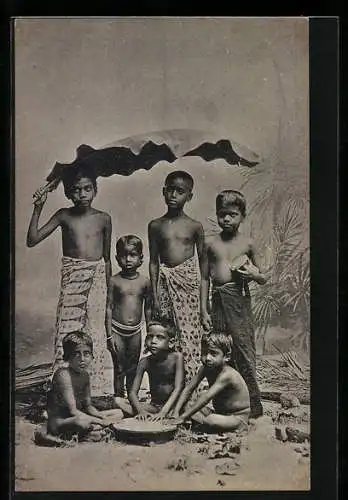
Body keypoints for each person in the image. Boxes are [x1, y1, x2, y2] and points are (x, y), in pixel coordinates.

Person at [27, 164, 113, 396]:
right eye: (76, 190)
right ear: (67, 193)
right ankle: (64, 391)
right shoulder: (63, 215)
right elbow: (32, 239)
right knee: (67, 333)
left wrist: (109, 297)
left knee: (95, 331)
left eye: (87, 189)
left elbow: (106, 260)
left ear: (95, 189)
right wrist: (38, 207)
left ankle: (95, 392)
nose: (82, 194)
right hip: (73, 280)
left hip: (97, 282)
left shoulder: (104, 218)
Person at [202, 190, 267, 419]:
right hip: (217, 300)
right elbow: (204, 278)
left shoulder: (248, 243)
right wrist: (203, 309)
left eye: (232, 214)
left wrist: (252, 273)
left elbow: (263, 277)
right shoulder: (211, 244)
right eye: (222, 215)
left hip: (239, 300)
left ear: (243, 216)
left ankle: (253, 406)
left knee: (243, 349)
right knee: (219, 347)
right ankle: (225, 402)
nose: (226, 219)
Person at [148, 170, 210, 389]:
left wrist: (203, 308)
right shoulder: (155, 225)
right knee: (167, 336)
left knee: (190, 338)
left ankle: (191, 393)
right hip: (164, 286)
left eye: (180, 191)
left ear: (189, 196)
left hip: (188, 288)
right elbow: (154, 262)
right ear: (164, 192)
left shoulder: (195, 227)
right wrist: (155, 297)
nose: (174, 195)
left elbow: (204, 270)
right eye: (170, 190)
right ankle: (167, 391)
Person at [46, 332, 122, 439]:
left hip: (80, 415)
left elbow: (88, 406)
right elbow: (73, 411)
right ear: (68, 356)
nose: (82, 359)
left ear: (91, 356)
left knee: (118, 413)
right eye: (76, 354)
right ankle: (93, 431)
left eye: (86, 354)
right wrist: (102, 422)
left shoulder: (85, 375)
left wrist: (102, 416)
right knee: (83, 422)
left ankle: (93, 431)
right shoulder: (63, 374)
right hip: (62, 421)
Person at [172, 332, 250, 432]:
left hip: (237, 417)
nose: (207, 358)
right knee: (187, 405)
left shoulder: (227, 374)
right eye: (204, 353)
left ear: (226, 356)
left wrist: (182, 417)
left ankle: (238, 426)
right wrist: (176, 413)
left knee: (211, 419)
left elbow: (206, 397)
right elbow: (188, 389)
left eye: (213, 354)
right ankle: (204, 424)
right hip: (220, 413)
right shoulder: (205, 368)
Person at [106, 235, 152, 398]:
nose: (128, 259)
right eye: (124, 255)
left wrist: (149, 333)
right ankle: (118, 398)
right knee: (119, 367)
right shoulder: (114, 281)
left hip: (135, 332)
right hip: (117, 331)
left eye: (132, 255)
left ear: (141, 258)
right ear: (117, 258)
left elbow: (147, 309)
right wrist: (109, 335)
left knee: (133, 367)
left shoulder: (145, 281)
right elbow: (109, 308)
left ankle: (132, 400)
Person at [114, 320, 184, 418]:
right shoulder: (144, 362)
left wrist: (164, 412)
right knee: (118, 401)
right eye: (150, 336)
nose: (153, 341)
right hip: (154, 407)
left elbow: (178, 388)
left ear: (171, 342)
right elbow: (133, 393)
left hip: (173, 406)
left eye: (160, 337)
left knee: (189, 407)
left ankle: (165, 415)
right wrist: (140, 411)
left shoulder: (177, 358)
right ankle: (149, 415)